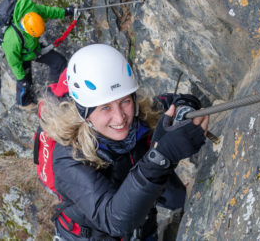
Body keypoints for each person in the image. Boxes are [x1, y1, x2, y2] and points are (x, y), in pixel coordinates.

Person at [38, 44, 209, 240]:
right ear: (85, 113)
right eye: (105, 108)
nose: (120, 118)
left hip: (143, 225)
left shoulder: (141, 114)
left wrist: (184, 109)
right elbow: (114, 221)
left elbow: (178, 100)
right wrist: (161, 157)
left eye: (124, 101)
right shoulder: (69, 157)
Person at [1, 0, 74, 110]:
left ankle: (55, 92)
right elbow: (14, 62)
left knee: (59, 62)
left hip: (34, 49)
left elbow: (48, 11)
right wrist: (21, 78)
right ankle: (23, 103)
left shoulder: (33, 11)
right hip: (22, 56)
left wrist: (66, 12)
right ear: (26, 29)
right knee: (25, 81)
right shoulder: (11, 39)